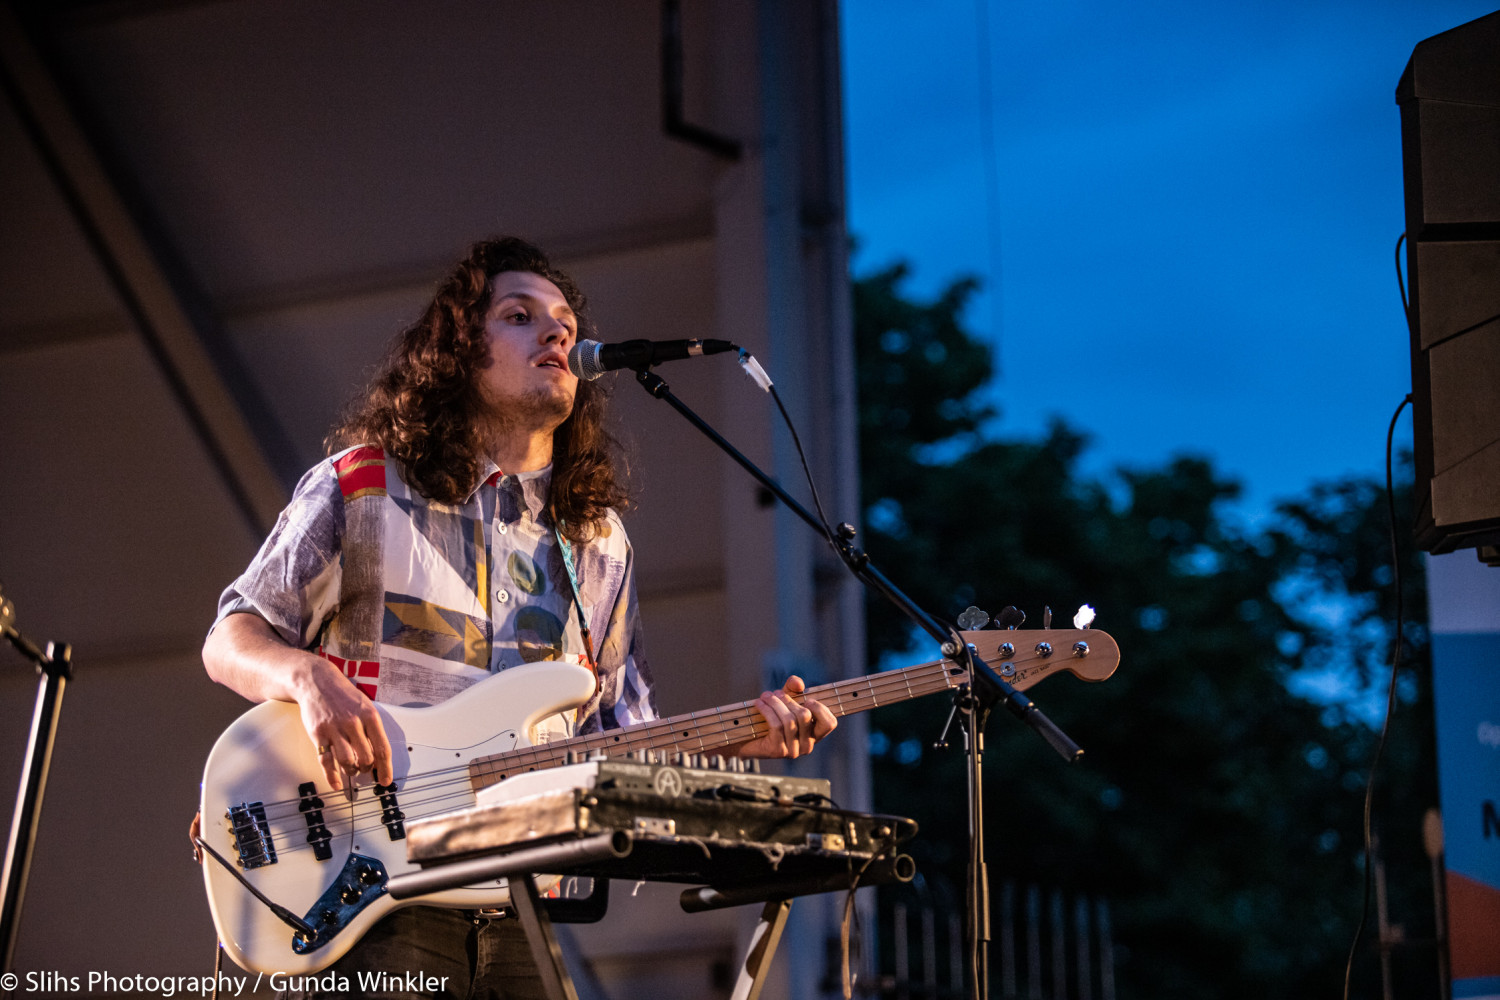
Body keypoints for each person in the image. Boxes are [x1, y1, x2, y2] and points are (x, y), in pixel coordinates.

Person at [201, 237, 837, 999]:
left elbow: (618, 743)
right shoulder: (363, 486)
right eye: (520, 315)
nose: (557, 333)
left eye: (565, 322)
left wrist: (741, 742)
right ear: (459, 351)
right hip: (361, 890)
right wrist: (305, 677)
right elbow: (231, 636)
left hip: (521, 905)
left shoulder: (597, 544)